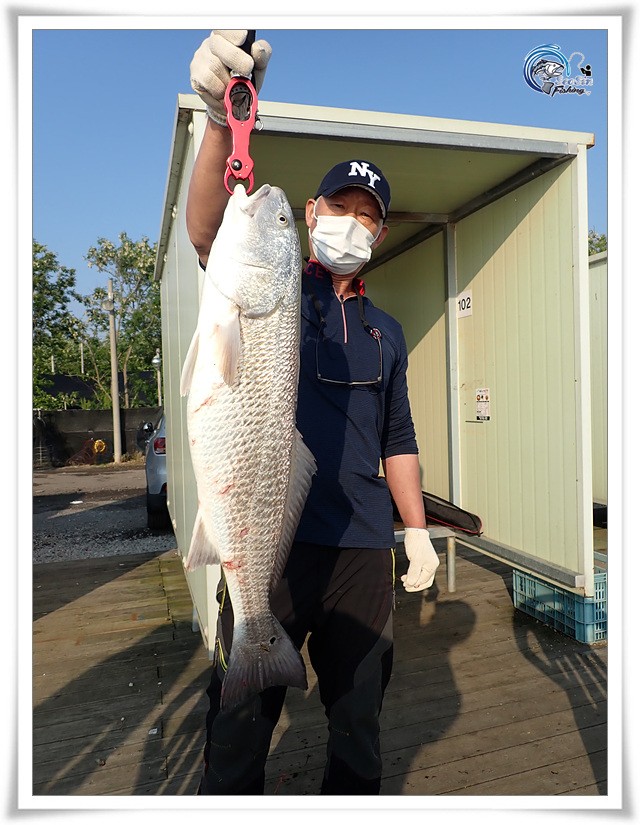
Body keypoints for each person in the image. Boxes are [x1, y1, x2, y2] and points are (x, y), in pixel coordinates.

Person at [186, 30, 440, 796]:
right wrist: (219, 121)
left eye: (367, 216)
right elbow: (208, 230)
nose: (351, 224)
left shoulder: (387, 332)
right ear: (311, 210)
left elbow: (398, 438)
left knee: (359, 725)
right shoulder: (276, 293)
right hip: (273, 542)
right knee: (237, 727)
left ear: (381, 234)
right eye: (339, 207)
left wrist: (416, 528)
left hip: (361, 548)